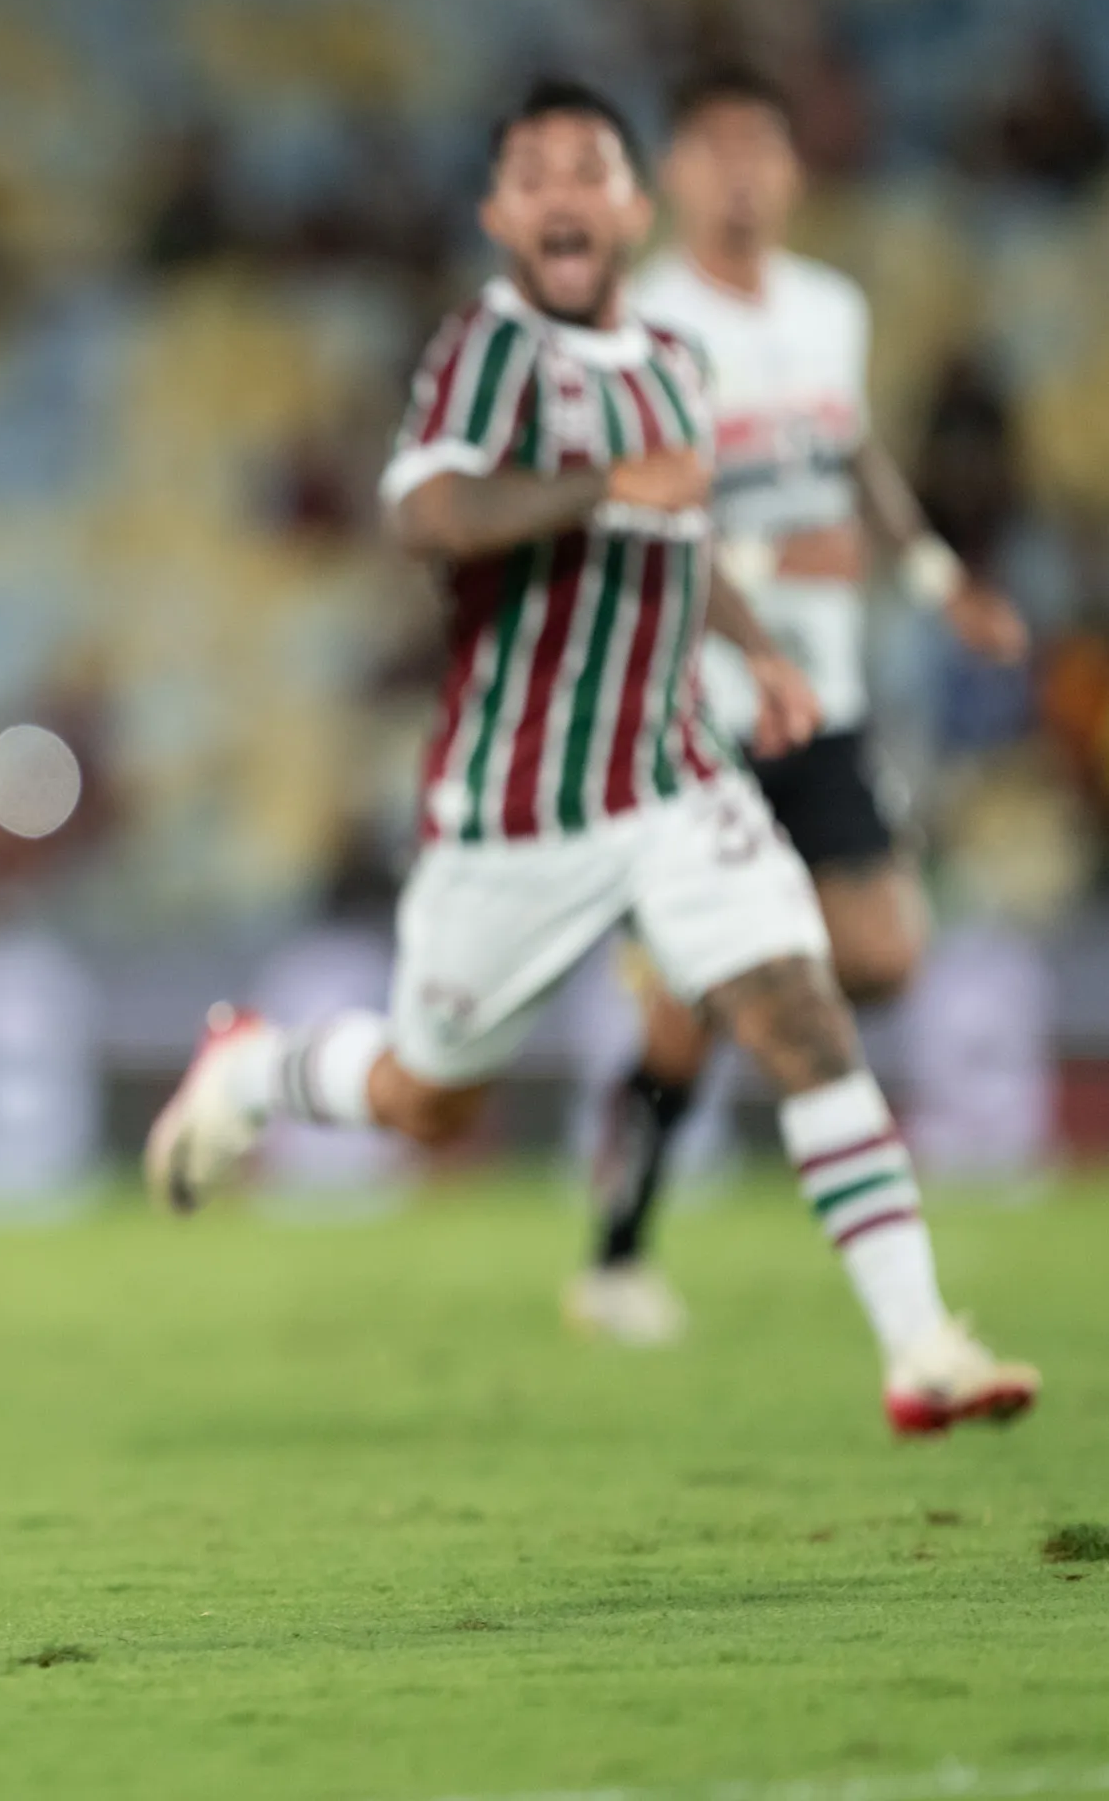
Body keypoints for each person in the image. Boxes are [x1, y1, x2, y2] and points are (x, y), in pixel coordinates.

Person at [140, 76, 1037, 1440]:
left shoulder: (678, 366)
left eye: (587, 169)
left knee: (803, 1014)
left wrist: (760, 648)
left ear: (627, 207)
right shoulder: (484, 354)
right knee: (428, 1099)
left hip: (677, 776)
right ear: (503, 213)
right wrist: (598, 483)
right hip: (516, 811)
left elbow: (673, 541)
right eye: (532, 173)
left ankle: (921, 1345)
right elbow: (432, 515)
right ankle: (257, 1074)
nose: (562, 193)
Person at [566, 67, 1030, 1346]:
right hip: (695, 702)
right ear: (673, 178)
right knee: (718, 993)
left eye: (760, 149)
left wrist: (936, 577)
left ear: (793, 172)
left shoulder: (833, 310)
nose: (740, 173)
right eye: (713, 150)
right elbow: (624, 514)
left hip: (819, 698)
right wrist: (774, 566)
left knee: (882, 953)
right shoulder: (648, 324)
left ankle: (714, 977)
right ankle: (614, 1258)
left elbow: (851, 454)